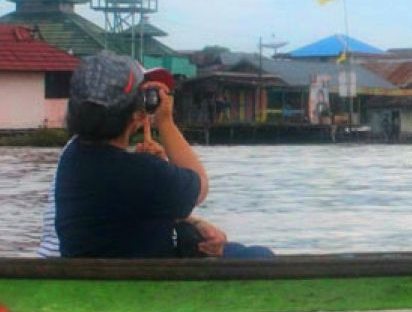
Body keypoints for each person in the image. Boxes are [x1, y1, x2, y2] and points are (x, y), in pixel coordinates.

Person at [54, 51, 272, 259]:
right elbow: (201, 186)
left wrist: (194, 222)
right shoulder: (145, 172)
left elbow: (126, 208)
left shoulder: (71, 159)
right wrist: (165, 122)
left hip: (92, 276)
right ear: (138, 113)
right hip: (144, 281)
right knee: (261, 256)